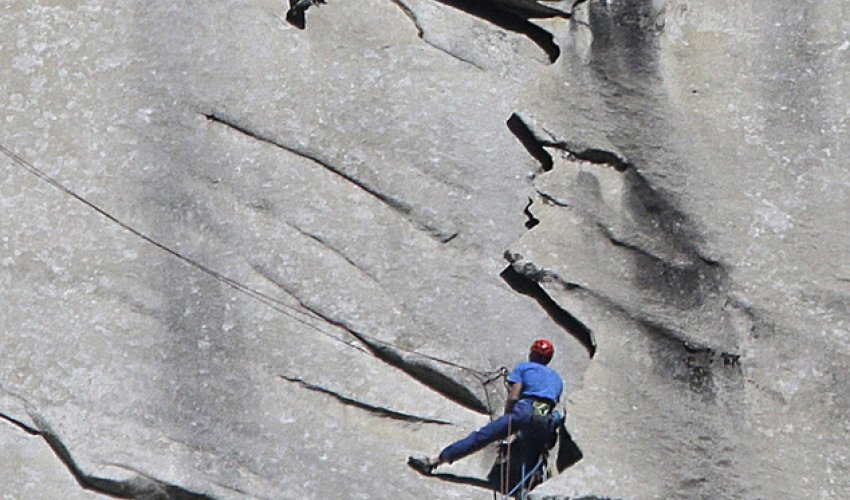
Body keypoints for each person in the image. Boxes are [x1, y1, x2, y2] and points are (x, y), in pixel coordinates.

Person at [409, 339, 564, 475]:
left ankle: (435, 462)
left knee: (481, 437)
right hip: (545, 419)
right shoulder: (557, 379)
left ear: (533, 354)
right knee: (532, 453)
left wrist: (507, 418)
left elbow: (514, 396)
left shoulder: (524, 368)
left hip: (523, 411)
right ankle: (525, 491)